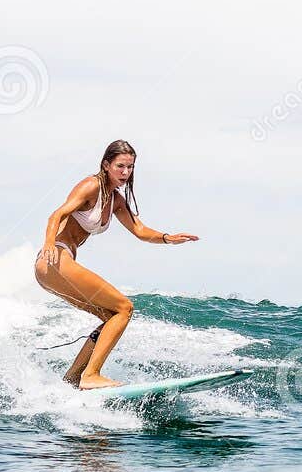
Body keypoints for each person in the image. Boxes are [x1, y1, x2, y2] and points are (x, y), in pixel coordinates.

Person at [34, 140, 198, 388]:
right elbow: (57, 215)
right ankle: (91, 376)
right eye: (120, 166)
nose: (125, 172)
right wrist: (48, 244)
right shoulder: (91, 186)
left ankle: (73, 378)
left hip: (56, 268)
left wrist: (168, 238)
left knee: (110, 316)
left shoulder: (116, 200)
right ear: (106, 165)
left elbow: (140, 230)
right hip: (55, 258)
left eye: (130, 167)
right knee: (124, 307)